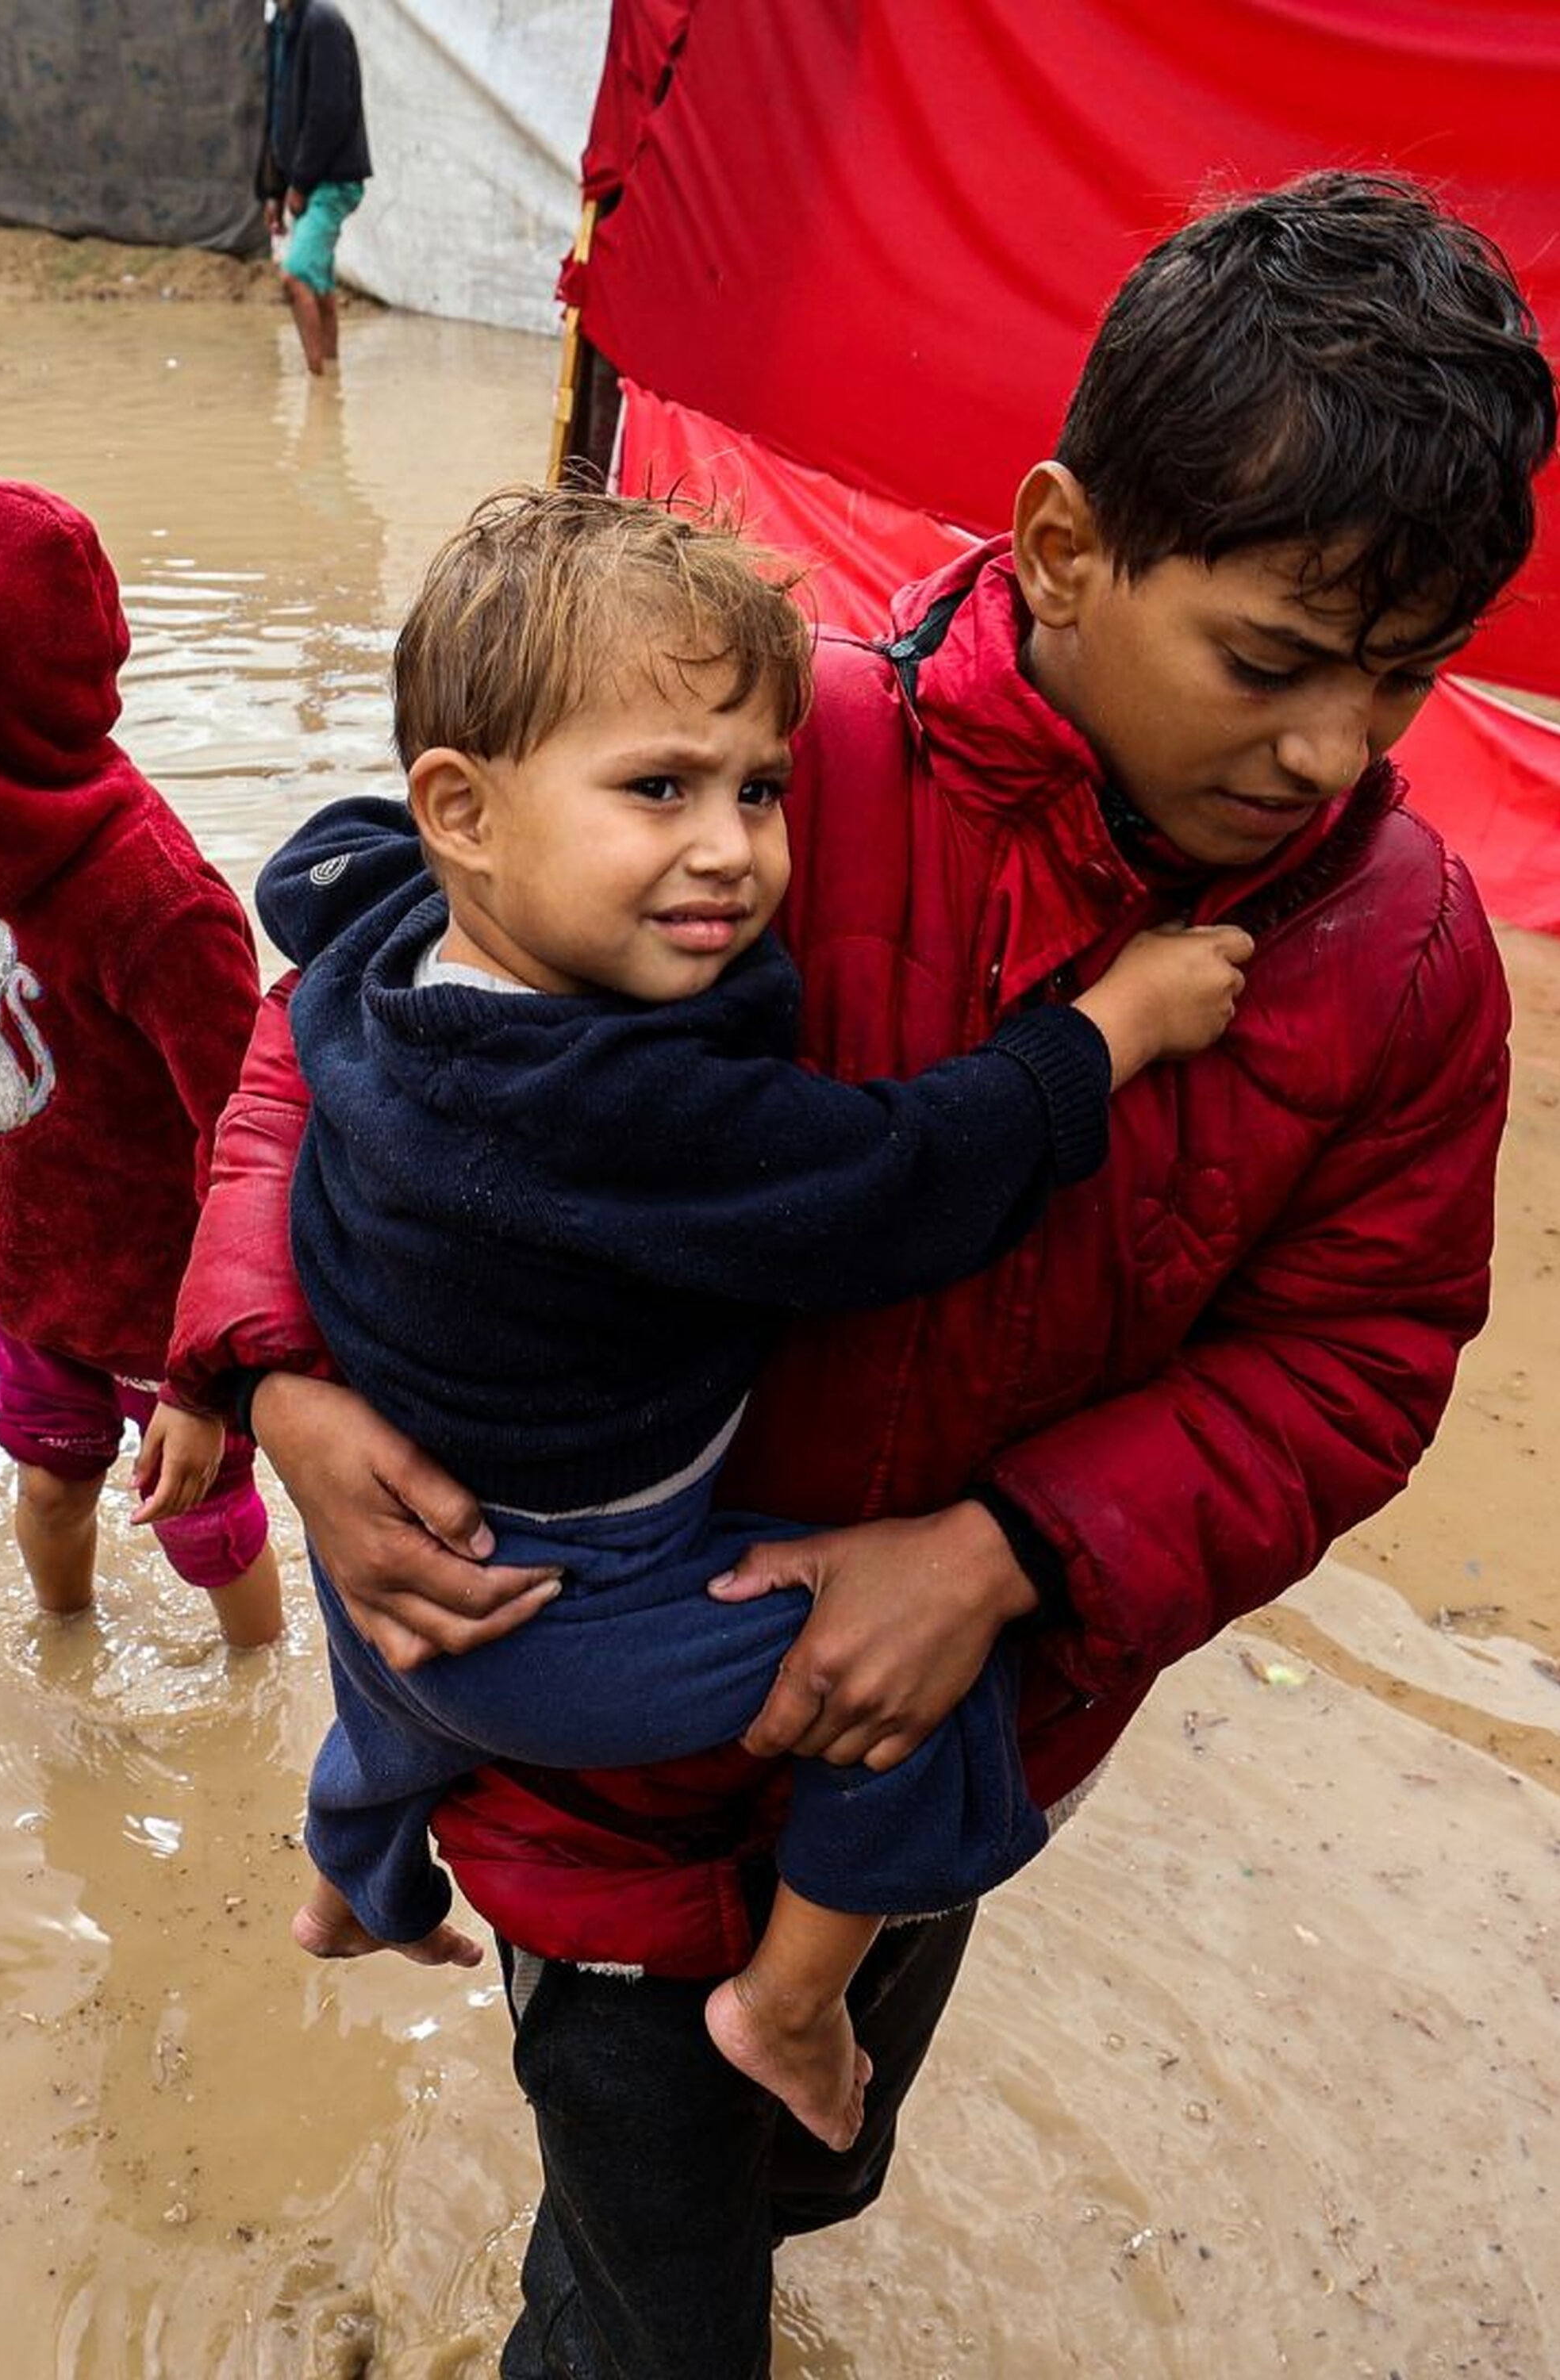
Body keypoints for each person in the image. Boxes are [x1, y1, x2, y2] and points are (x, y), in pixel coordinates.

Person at [170, 171, 1555, 2374]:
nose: (1335, 752)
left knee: (808, 2159)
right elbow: (350, 1029)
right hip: (601, 1747)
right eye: (1275, 664)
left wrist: (1010, 1553)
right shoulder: (758, 768)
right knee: (644, 2291)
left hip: (972, 1721)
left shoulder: (1399, 967)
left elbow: (1360, 1356)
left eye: (1405, 681)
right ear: (1068, 547)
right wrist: (275, 1375)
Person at [196, 487, 1251, 2152]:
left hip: (379, 1534)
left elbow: (314, 878)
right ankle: (788, 2002)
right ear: (463, 811)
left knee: (391, 1705)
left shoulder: (396, 932)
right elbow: (901, 1178)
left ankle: (348, 1883)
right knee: (915, 1687)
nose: (735, 849)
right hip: (565, 1600)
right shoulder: (600, 1103)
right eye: (659, 789)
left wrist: (237, 1369)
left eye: (763, 788)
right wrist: (1117, 1023)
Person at [0, 472, 283, 1651]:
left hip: (158, 1307)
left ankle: (250, 1697)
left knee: (204, 1523)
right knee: (47, 1486)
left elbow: (250, 1143)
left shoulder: (154, 906)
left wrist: (199, 1380)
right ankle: (65, 1656)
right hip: (30, 1274)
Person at [259, 0, 371, 377]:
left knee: (296, 277)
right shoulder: (282, 25)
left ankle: (319, 390)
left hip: (331, 179)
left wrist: (301, 182)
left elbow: (330, 109)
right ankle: (330, 379)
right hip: (309, 179)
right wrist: (273, 190)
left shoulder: (321, 22)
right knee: (319, 284)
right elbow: (276, 112)